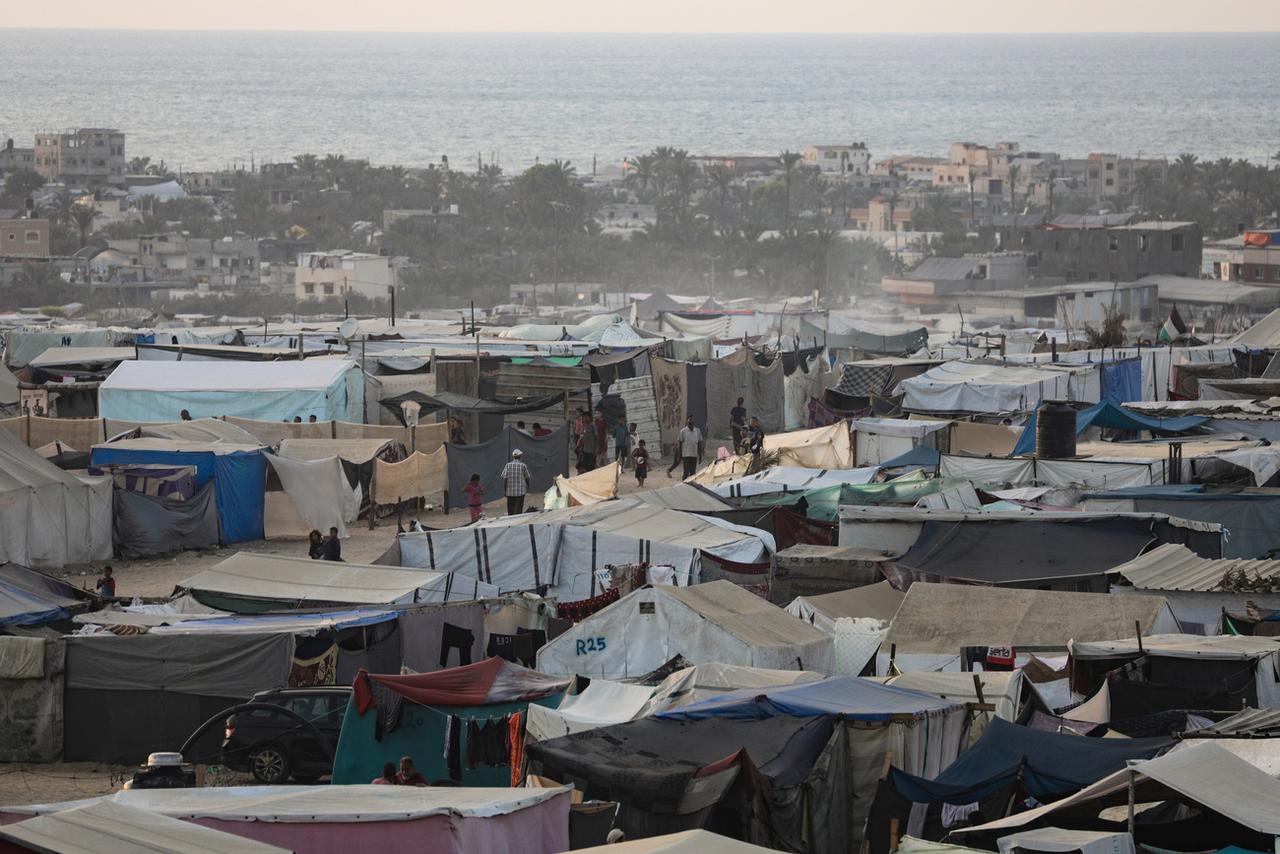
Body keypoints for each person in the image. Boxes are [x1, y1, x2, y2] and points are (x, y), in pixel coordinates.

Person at [502, 450, 531, 515]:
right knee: (518, 510)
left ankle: (511, 522)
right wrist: (528, 486)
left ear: (513, 456)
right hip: (520, 492)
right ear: (520, 456)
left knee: (510, 510)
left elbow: (505, 478)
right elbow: (527, 477)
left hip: (510, 492)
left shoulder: (507, 465)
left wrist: (505, 490)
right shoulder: (523, 465)